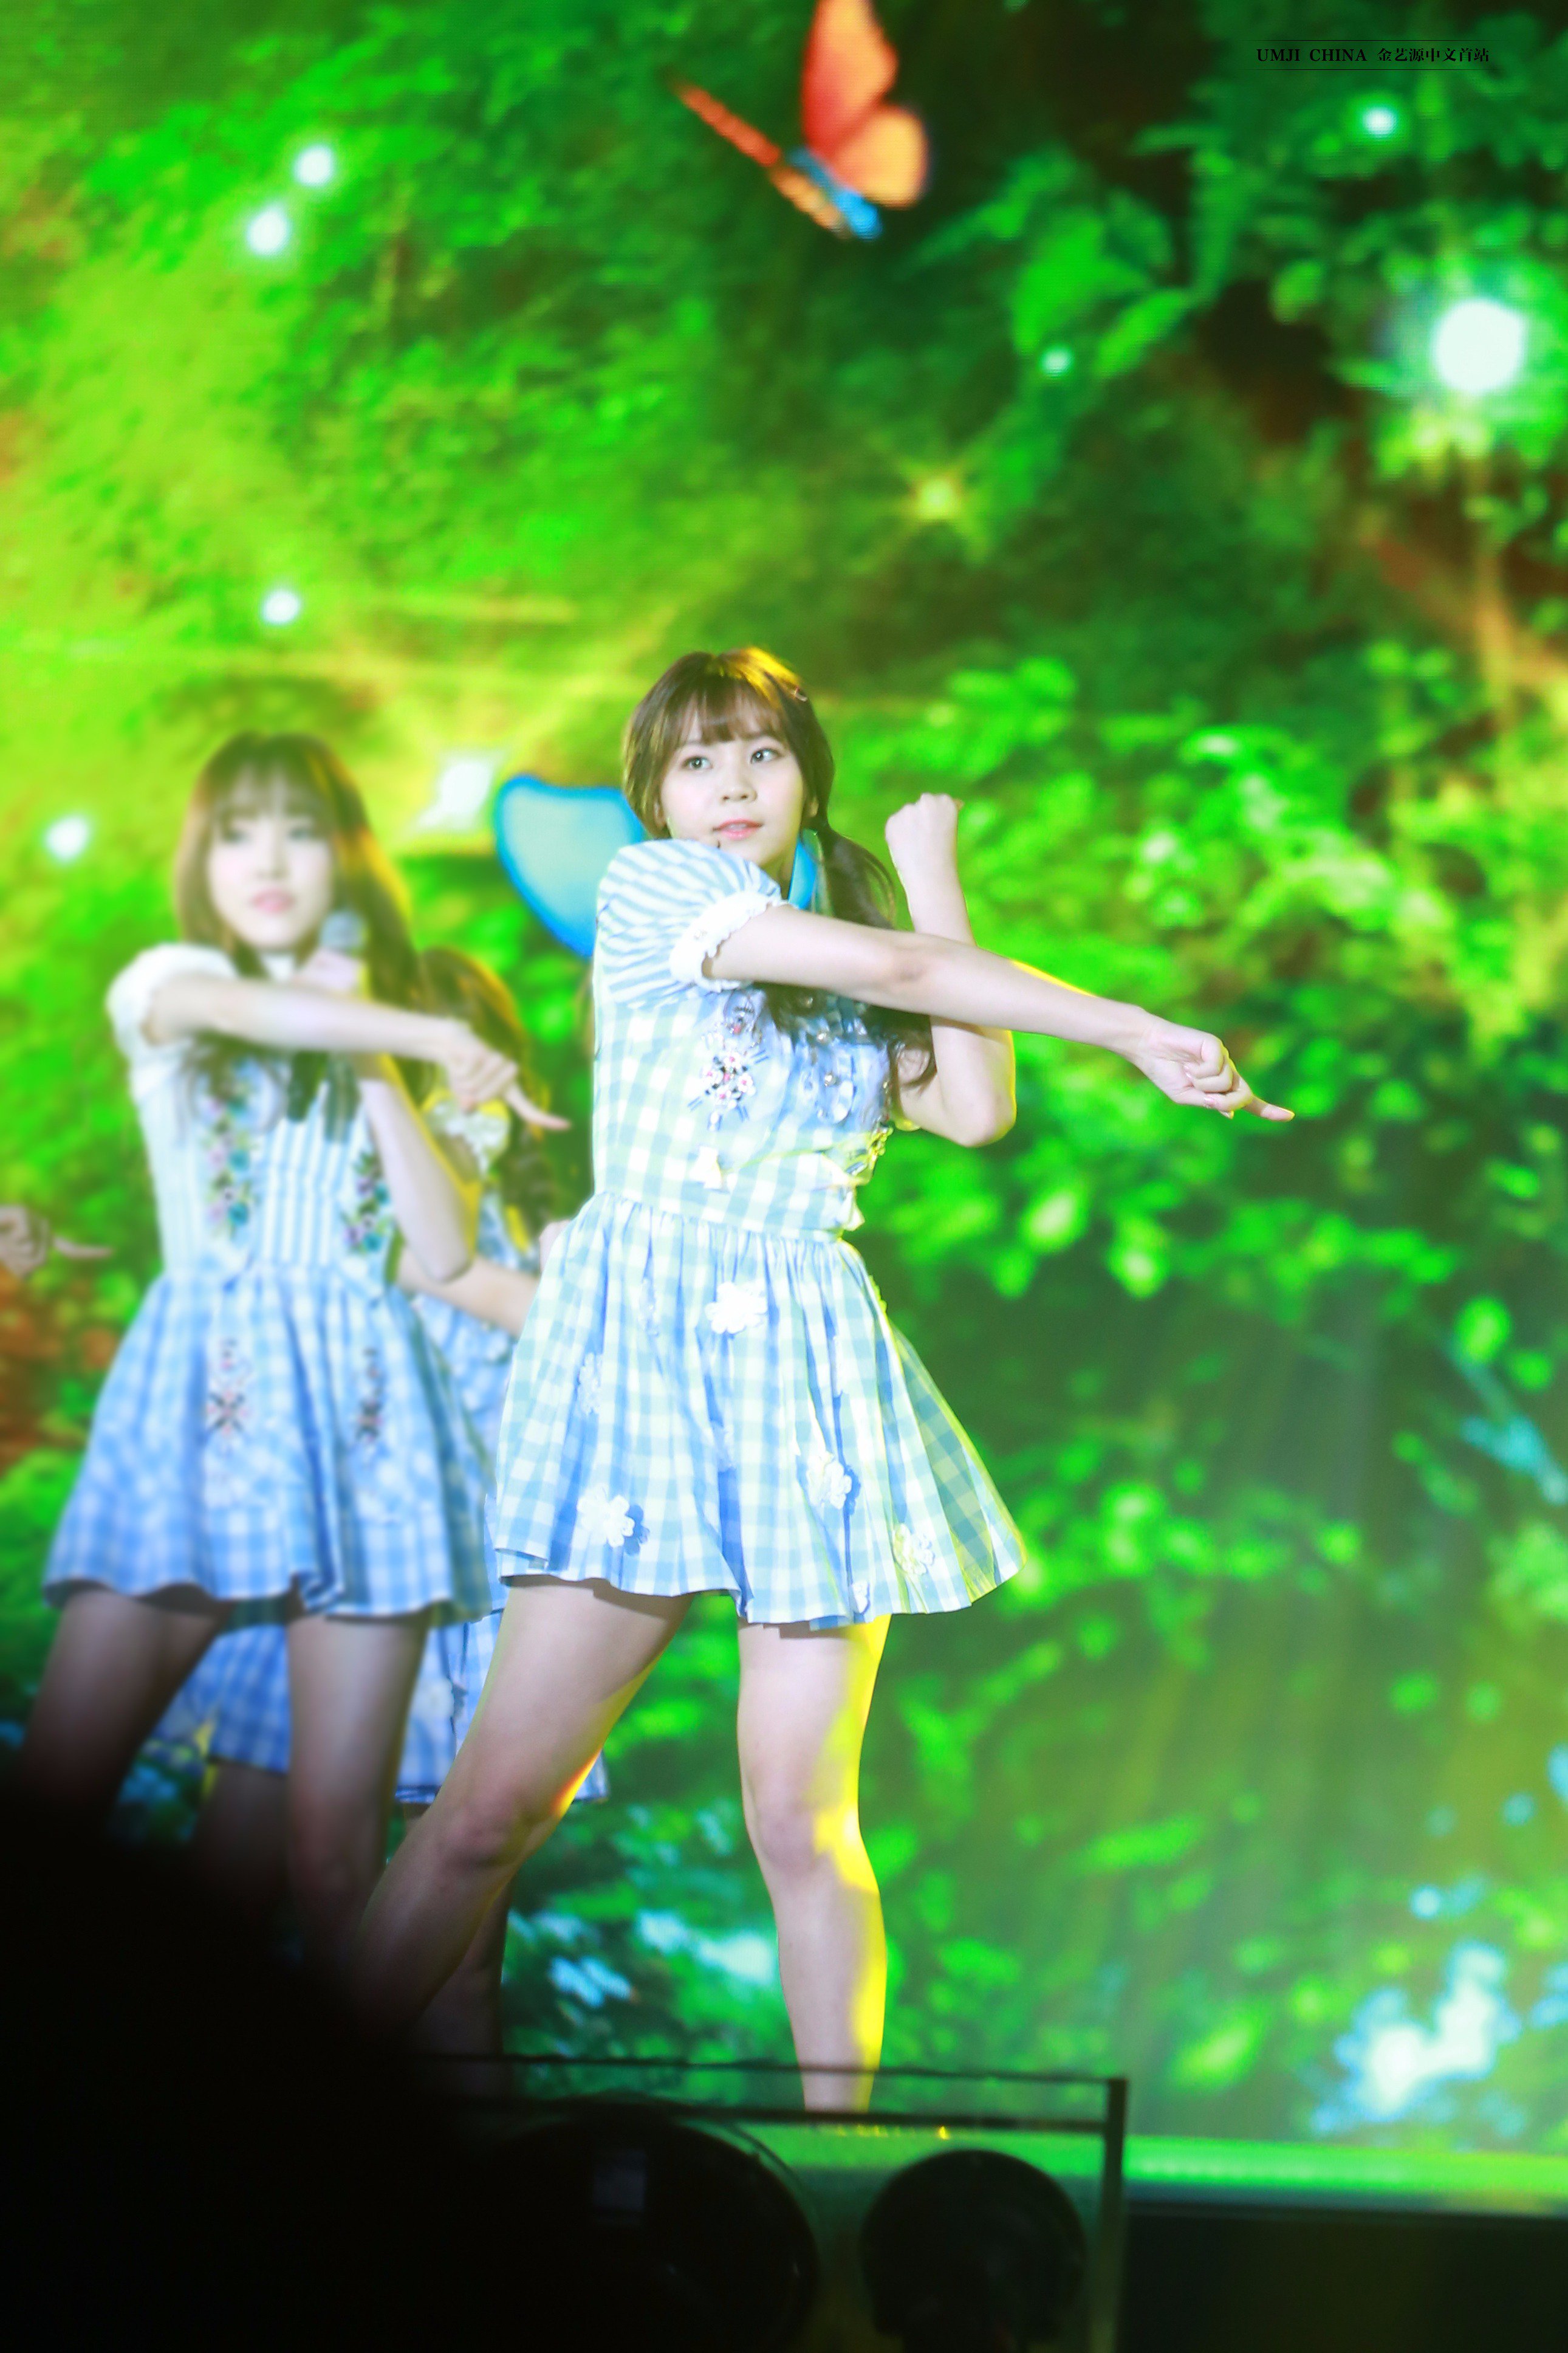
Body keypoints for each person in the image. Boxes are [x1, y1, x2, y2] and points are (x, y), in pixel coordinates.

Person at [352, 647, 1291, 2103]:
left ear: (806, 776)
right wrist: (1134, 1028)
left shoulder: (848, 947)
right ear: (656, 798)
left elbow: (973, 1105)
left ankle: (839, 2171)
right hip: (646, 1342)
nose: (731, 784)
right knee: (487, 1814)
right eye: (696, 760)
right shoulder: (657, 892)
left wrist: (932, 881)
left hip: (806, 1362)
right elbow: (908, 976)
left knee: (805, 1820)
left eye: (761, 754)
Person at [20, 732, 550, 1981]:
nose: (268, 860)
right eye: (239, 831)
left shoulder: (387, 1039)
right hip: (204, 1396)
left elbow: (438, 1243)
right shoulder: (170, 983)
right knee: (57, 1796)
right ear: (202, 858)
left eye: (300, 831)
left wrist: (379, 1055)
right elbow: (249, 1009)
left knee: (334, 1857)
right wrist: (408, 1028)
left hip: (370, 1421)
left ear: (346, 857)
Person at [169, 948, 604, 2053]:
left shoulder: (528, 1210)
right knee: (294, 1872)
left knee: (463, 1966)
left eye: (480, 1047)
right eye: (437, 1048)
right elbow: (496, 1301)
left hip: (491, 1575)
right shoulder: (369, 1204)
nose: (469, 1074)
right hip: (367, 1560)